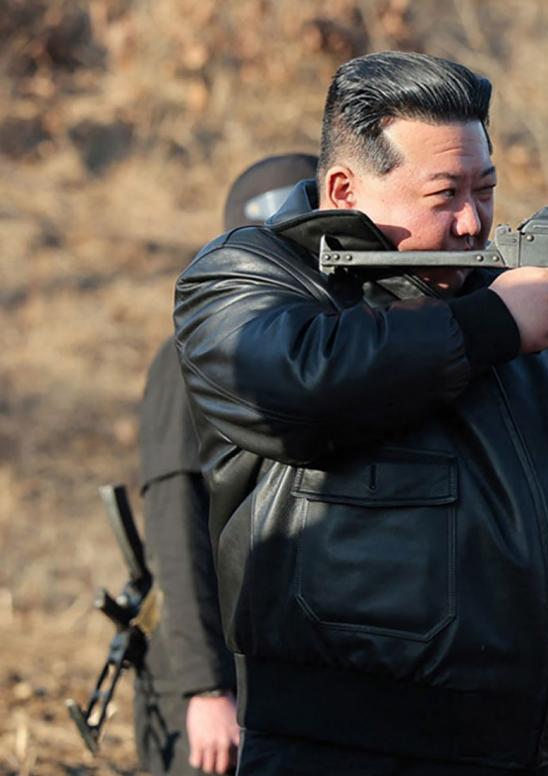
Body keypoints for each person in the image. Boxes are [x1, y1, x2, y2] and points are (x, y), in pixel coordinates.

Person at [171, 51, 548, 775]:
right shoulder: (251, 275)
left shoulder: (494, 289)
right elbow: (295, 382)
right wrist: (492, 325)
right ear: (343, 189)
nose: (472, 220)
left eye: (485, 188)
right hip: (352, 753)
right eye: (444, 193)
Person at [134, 152, 317, 776]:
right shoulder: (192, 350)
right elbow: (175, 525)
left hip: (284, 680)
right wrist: (204, 687)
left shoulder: (330, 346)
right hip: (214, 686)